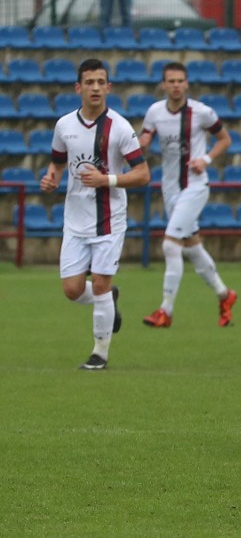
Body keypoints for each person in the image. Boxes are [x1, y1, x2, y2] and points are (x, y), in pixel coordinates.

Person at [39, 58, 150, 370]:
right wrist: (52, 178)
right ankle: (109, 298)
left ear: (109, 87)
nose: (96, 88)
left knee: (99, 283)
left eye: (101, 82)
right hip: (74, 219)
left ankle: (99, 354)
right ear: (79, 88)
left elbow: (142, 174)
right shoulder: (64, 126)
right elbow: (58, 162)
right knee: (72, 291)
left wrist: (107, 180)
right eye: (90, 82)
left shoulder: (121, 128)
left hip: (109, 219)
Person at [137, 62, 237, 329]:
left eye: (180, 80)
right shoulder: (154, 112)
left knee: (170, 245)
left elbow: (225, 139)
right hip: (170, 188)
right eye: (171, 81)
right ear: (163, 84)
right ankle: (225, 295)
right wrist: (142, 146)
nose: (176, 85)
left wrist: (205, 159)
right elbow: (143, 143)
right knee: (192, 247)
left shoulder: (201, 112)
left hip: (195, 186)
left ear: (187, 83)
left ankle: (165, 311)